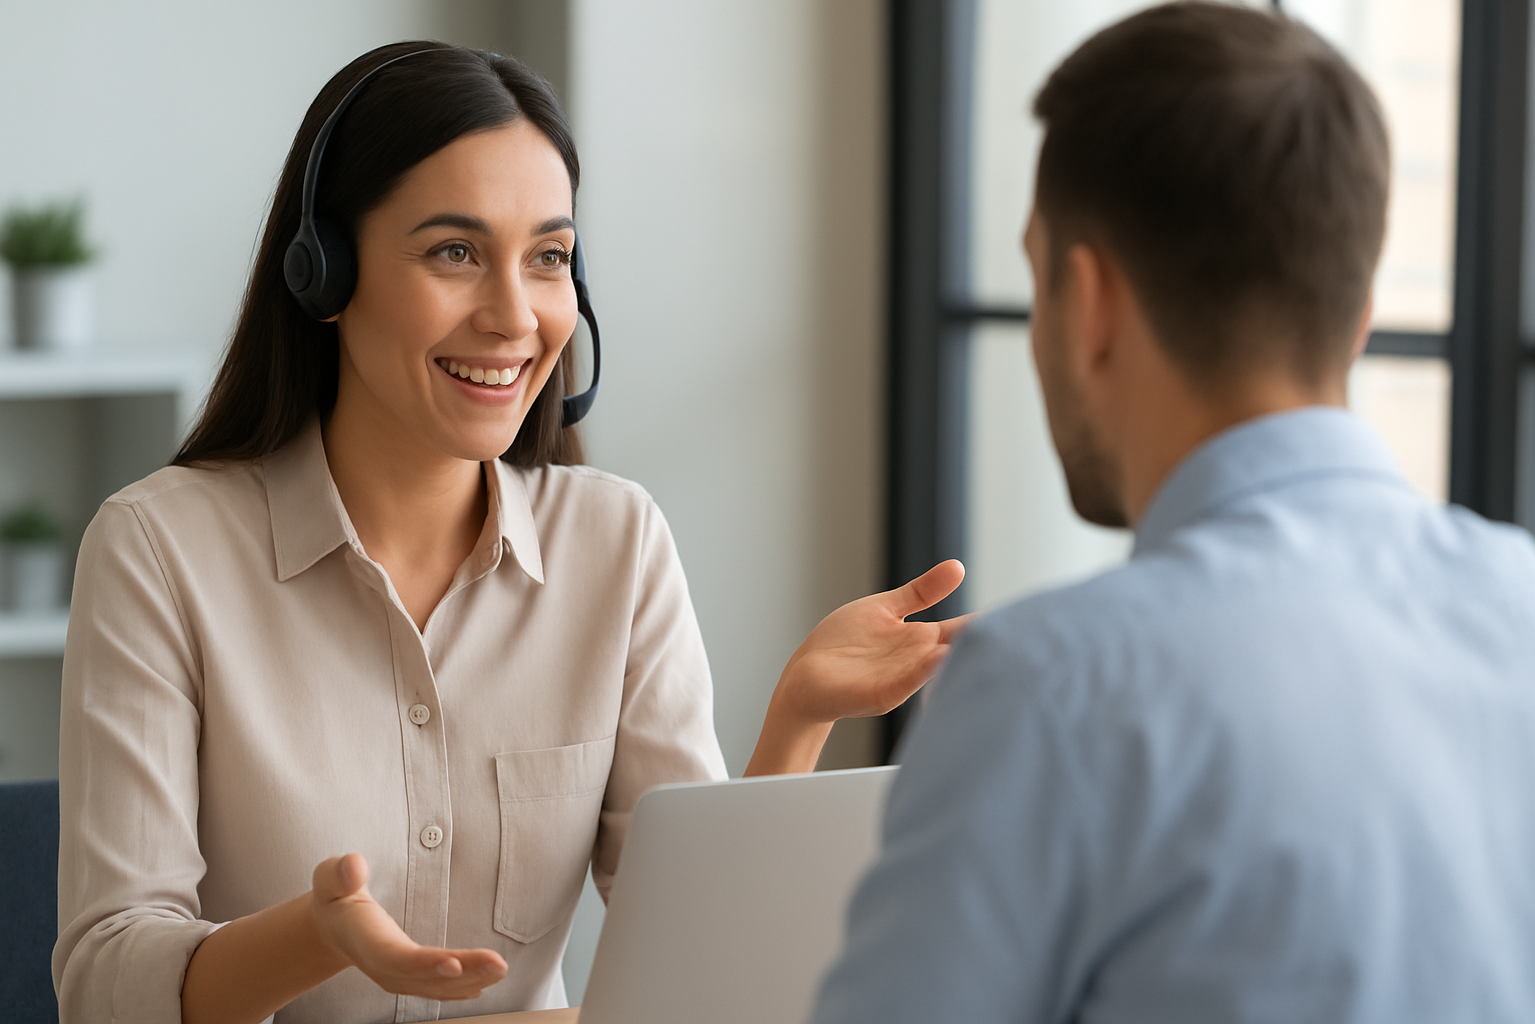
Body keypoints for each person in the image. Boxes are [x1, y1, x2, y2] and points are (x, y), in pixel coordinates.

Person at [52, 43, 966, 1024]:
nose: (514, 315)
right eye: (454, 251)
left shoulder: (617, 543)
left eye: (549, 258)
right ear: (325, 273)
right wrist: (312, 935)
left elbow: (704, 966)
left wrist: (797, 717)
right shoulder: (157, 551)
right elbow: (107, 983)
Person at [811, 4, 1535, 1023]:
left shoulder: (1046, 690)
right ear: (1359, 310)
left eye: (1036, 279)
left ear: (1090, 299)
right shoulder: (1522, 605)